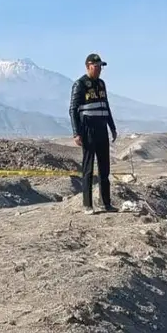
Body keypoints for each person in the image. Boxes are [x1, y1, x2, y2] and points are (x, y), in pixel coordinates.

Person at [69, 53, 118, 214]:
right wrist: (76, 133)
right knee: (88, 169)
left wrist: (112, 127)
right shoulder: (80, 84)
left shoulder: (101, 84)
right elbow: (73, 110)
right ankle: (87, 204)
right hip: (88, 130)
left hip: (102, 130)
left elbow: (106, 106)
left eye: (100, 67)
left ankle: (106, 203)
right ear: (88, 67)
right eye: (96, 67)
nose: (99, 70)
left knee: (104, 169)